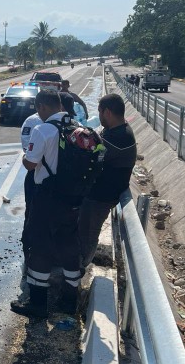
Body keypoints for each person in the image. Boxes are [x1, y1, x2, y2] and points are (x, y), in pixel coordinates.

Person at [11, 89, 82, 318]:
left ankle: (38, 304)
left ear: (41, 107)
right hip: (73, 199)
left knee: (39, 247)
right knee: (69, 246)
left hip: (48, 198)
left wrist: (25, 157)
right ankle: (70, 300)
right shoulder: (77, 127)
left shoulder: (43, 130)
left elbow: (31, 165)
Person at [78, 93, 137, 267]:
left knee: (87, 235)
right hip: (99, 193)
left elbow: (91, 155)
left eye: (100, 112)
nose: (100, 116)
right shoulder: (116, 131)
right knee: (83, 231)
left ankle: (78, 270)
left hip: (101, 197)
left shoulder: (119, 137)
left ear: (107, 112)